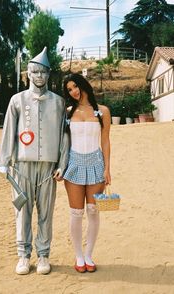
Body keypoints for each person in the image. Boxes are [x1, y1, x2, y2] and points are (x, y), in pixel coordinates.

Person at [0, 47, 69, 275]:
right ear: (28, 74)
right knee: (22, 212)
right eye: (35, 72)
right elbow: (9, 131)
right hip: (22, 167)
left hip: (49, 168)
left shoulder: (58, 103)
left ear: (49, 75)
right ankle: (23, 256)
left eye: (43, 72)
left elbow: (63, 136)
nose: (39, 76)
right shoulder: (17, 100)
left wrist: (62, 164)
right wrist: (4, 160)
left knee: (46, 212)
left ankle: (44, 255)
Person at [62, 73, 111, 273]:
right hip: (73, 165)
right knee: (76, 213)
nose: (74, 91)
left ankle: (89, 255)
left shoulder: (102, 111)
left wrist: (108, 168)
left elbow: (105, 140)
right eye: (69, 90)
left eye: (75, 86)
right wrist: (59, 166)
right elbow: (62, 143)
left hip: (96, 164)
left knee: (93, 211)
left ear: (83, 85)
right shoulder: (66, 112)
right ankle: (79, 256)